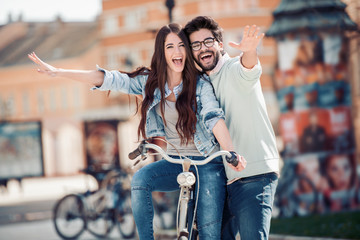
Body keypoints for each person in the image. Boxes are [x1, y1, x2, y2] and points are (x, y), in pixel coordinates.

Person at [28, 23, 246, 240]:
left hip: (207, 164)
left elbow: (213, 118)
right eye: (170, 47)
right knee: (140, 179)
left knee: (209, 233)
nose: (177, 52)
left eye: (181, 46)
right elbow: (108, 78)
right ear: (162, 52)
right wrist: (59, 72)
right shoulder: (150, 83)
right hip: (177, 161)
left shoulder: (200, 85)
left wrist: (230, 153)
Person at [184, 16, 280, 240]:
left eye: (208, 42)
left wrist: (248, 52)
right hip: (223, 180)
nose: (202, 49)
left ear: (219, 43)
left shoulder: (233, 69)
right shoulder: (202, 85)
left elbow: (248, 69)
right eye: (195, 45)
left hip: (255, 175)